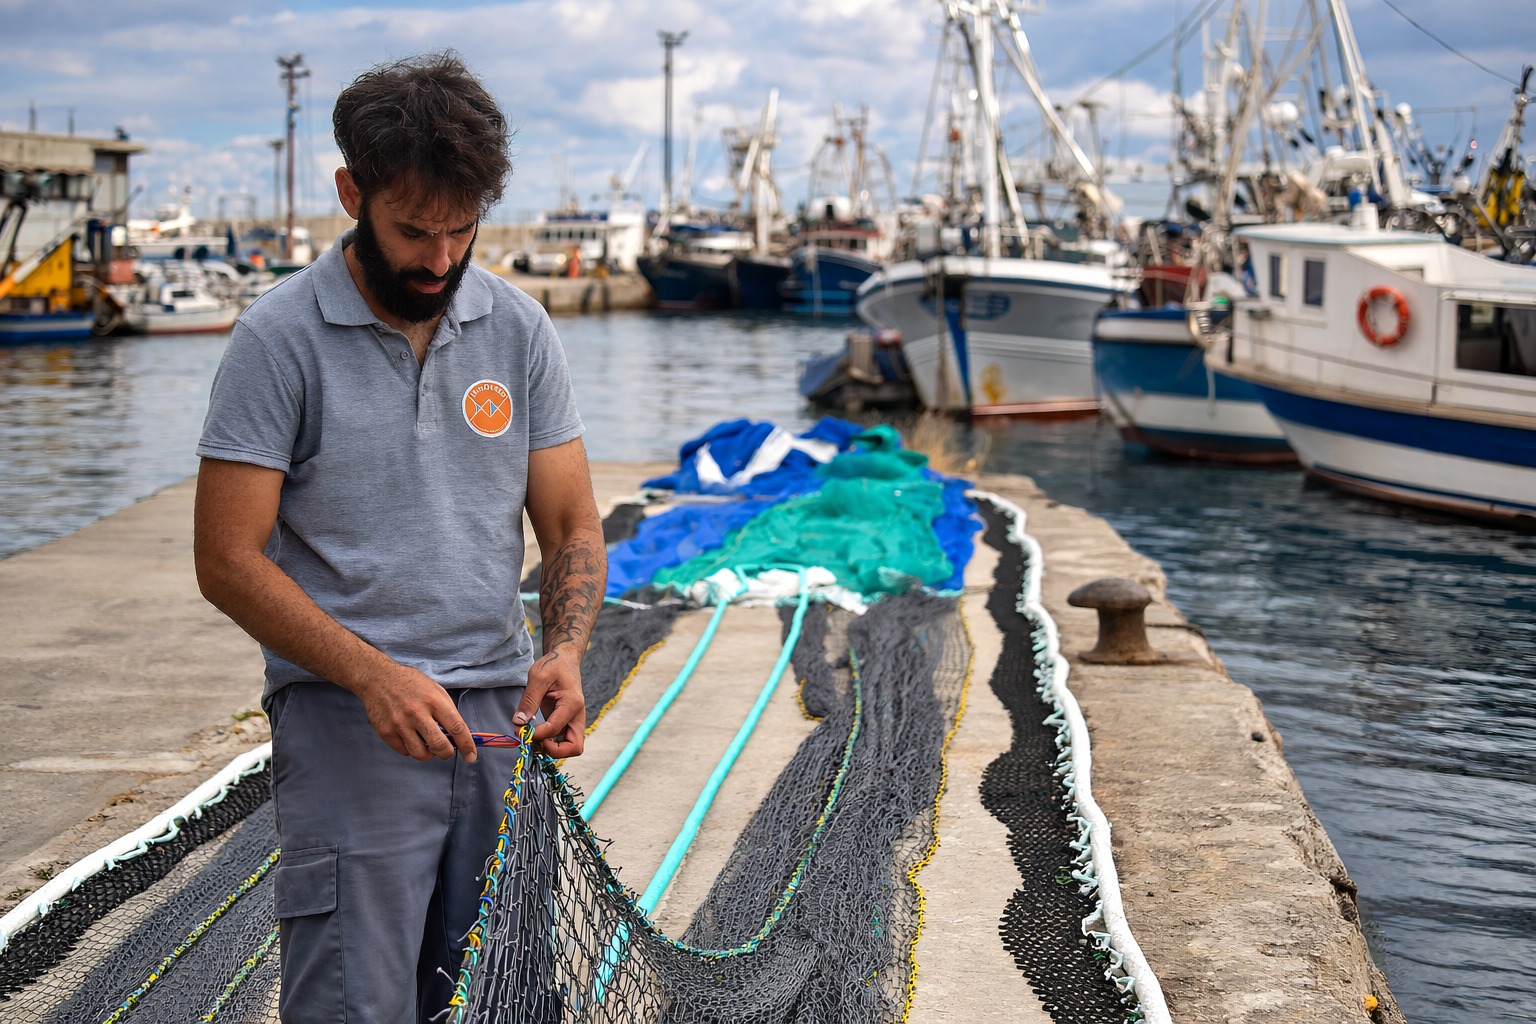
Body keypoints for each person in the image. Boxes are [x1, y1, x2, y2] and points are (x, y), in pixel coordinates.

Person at [193, 51, 605, 1023]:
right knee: (354, 1003)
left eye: (462, 230)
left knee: (500, 995)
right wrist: (372, 674)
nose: (439, 258)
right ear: (352, 192)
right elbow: (226, 557)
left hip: (500, 719)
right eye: (414, 229)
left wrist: (566, 650)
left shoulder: (521, 329)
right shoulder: (277, 340)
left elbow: (572, 522)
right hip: (348, 720)